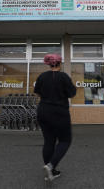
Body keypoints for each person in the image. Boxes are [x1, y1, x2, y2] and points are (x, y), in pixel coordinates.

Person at [34, 53, 76, 182]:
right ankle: (51, 165)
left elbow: (37, 92)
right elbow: (72, 93)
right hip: (59, 112)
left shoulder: (41, 76)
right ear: (60, 63)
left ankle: (50, 172)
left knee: (49, 141)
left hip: (43, 111)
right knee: (65, 140)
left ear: (48, 64)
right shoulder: (64, 77)